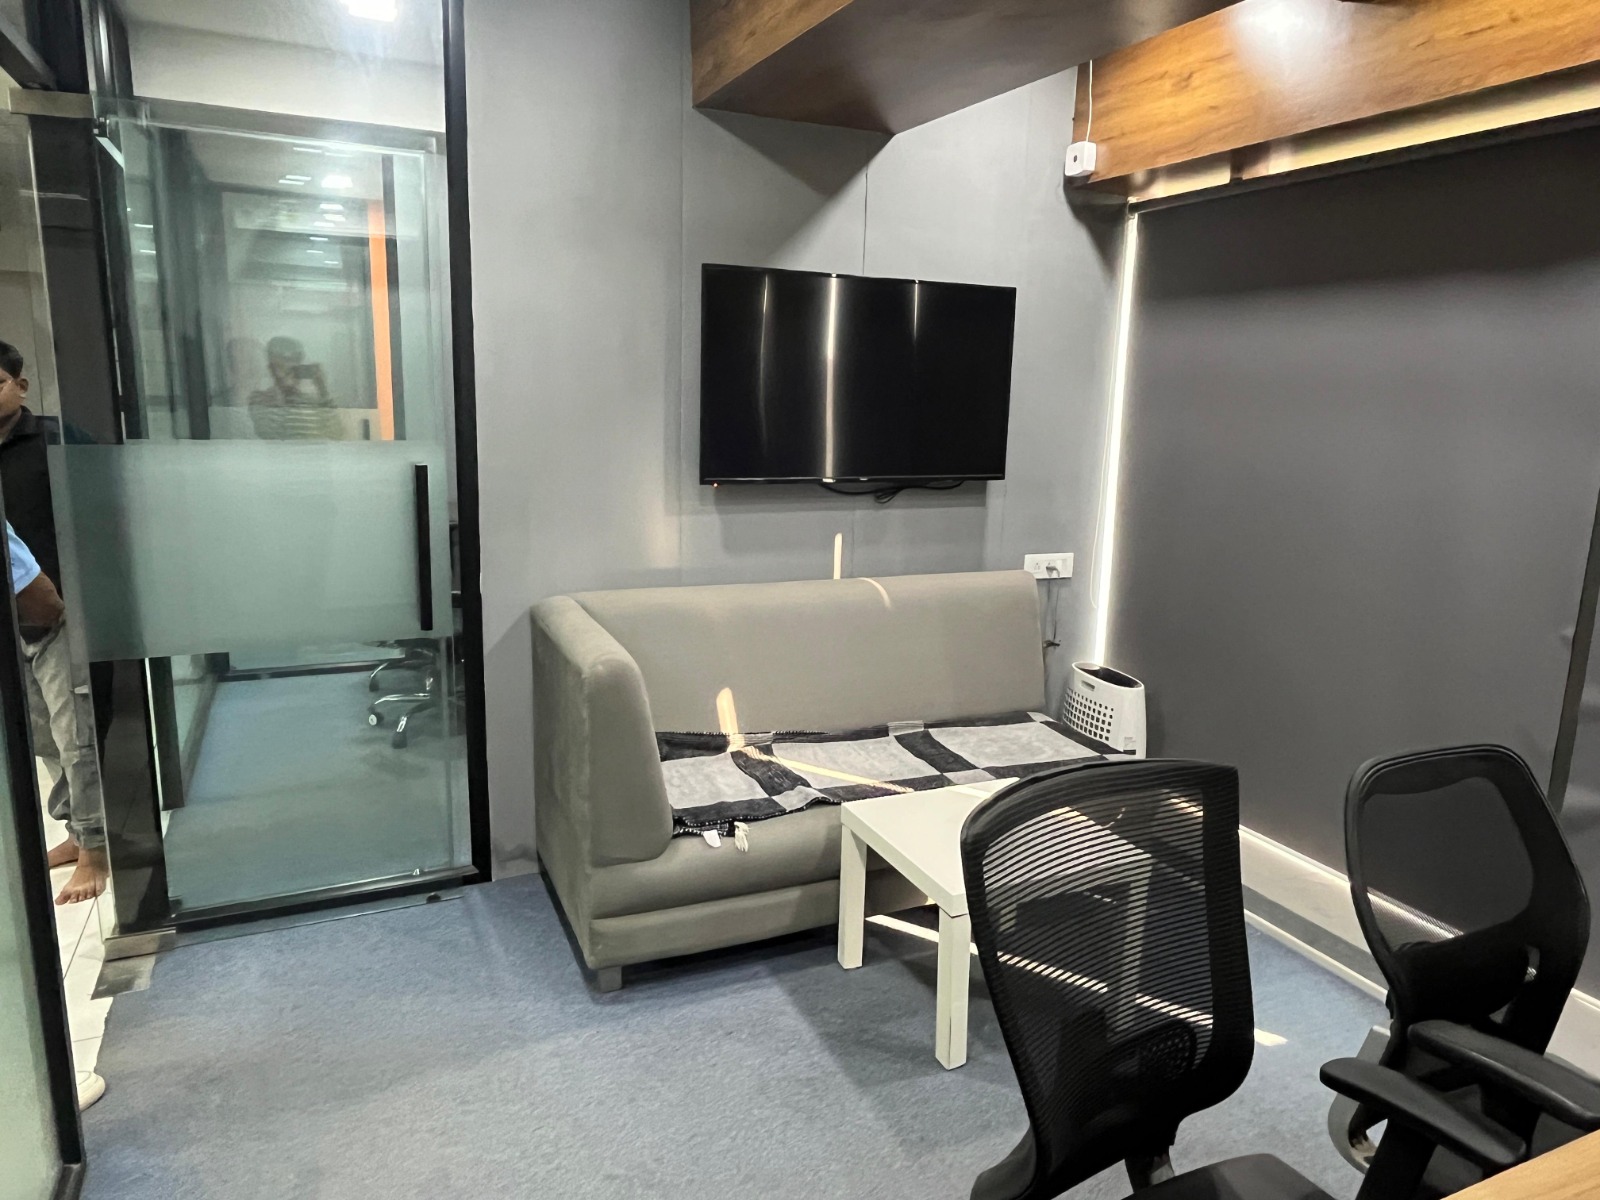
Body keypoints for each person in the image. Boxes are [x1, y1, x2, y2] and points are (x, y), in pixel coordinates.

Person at [0, 343, 109, 905]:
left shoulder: (57, 440)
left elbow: (106, 509)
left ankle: (96, 849)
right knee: (40, 736)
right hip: (10, 621)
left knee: (75, 735)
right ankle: (72, 830)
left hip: (61, 610)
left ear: (20, 386)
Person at [248, 336, 345, 440]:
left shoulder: (313, 401)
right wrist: (284, 391)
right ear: (272, 368)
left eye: (296, 360)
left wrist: (322, 390)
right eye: (284, 361)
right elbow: (267, 434)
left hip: (316, 450)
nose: (291, 365)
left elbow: (336, 434)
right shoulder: (260, 399)